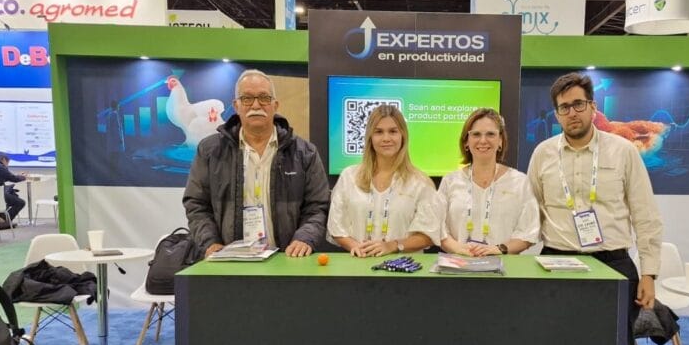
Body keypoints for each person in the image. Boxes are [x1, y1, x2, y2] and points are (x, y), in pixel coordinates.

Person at [528, 71, 667, 345]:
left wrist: (649, 273)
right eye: (563, 108)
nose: (572, 113)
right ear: (556, 114)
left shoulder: (622, 152)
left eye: (578, 104)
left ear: (592, 107)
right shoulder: (543, 155)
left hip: (612, 265)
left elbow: (645, 215)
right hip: (557, 263)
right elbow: (528, 213)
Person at [183, 69, 330, 258]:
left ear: (275, 105)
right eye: (247, 98)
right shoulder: (210, 151)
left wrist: (305, 238)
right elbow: (196, 204)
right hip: (228, 261)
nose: (256, 105)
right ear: (236, 106)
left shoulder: (305, 153)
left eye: (264, 98)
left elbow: (317, 206)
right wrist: (210, 242)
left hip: (287, 260)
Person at [327, 104, 441, 257]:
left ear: (403, 136)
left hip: (403, 267)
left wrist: (393, 246)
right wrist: (358, 248)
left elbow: (428, 235)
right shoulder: (349, 177)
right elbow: (336, 227)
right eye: (379, 132)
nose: (386, 138)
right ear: (370, 137)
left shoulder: (421, 183)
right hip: (359, 264)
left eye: (393, 131)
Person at [438, 108, 539, 257]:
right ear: (466, 142)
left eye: (490, 134)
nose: (483, 140)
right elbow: (438, 227)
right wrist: (458, 248)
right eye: (476, 134)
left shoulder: (520, 182)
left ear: (500, 141)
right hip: (459, 264)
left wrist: (499, 249)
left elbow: (529, 232)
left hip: (504, 266)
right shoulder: (450, 182)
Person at [104, 100, 125, 174]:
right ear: (116, 106)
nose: (119, 107)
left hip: (111, 139)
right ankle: (115, 171)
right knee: (116, 155)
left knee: (113, 155)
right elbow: (116, 128)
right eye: (118, 105)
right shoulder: (115, 114)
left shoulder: (109, 115)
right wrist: (120, 138)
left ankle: (112, 170)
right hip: (116, 140)